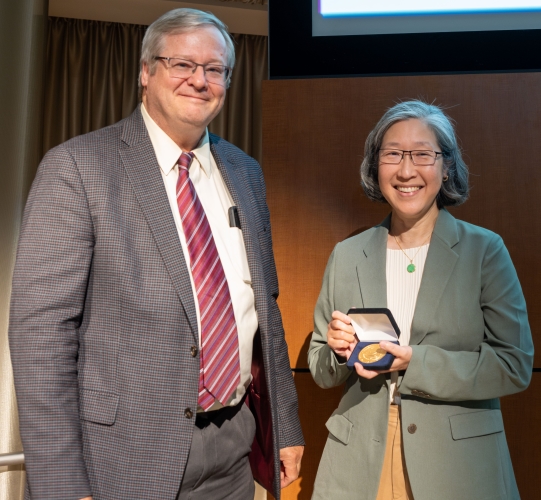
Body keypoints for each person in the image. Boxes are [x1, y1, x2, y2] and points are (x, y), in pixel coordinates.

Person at [9, 8, 303, 500]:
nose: (199, 80)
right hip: (122, 458)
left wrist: (285, 425)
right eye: (181, 64)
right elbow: (41, 339)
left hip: (232, 448)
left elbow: (263, 307)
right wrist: (62, 484)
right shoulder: (77, 169)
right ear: (146, 73)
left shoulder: (244, 172)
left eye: (215, 69)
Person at [308, 100, 533, 500]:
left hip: (457, 466)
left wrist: (416, 361)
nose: (406, 170)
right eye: (392, 154)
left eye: (423, 155)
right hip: (360, 462)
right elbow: (322, 368)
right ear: (375, 166)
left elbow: (514, 365)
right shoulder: (348, 254)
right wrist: (338, 351)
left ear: (447, 166)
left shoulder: (485, 251)